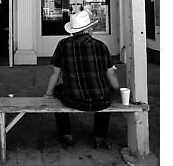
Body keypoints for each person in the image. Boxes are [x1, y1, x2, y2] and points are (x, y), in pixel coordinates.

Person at [44, 9, 120, 149]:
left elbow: (55, 74)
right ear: (89, 29)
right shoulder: (101, 46)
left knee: (58, 90)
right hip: (100, 101)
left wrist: (48, 94)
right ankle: (99, 137)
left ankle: (66, 134)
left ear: (73, 30)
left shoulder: (63, 45)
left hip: (74, 100)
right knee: (105, 92)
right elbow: (111, 75)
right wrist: (117, 92)